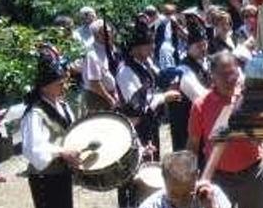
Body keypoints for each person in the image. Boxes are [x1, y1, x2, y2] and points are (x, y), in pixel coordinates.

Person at [187, 51, 263, 208]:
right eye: (224, 74)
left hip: (253, 174)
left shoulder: (248, 101)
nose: (230, 77)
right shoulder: (200, 105)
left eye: (233, 71)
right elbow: (193, 144)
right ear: (211, 75)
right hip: (219, 177)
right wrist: (191, 176)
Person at [21, 46, 82, 208]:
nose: (63, 86)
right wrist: (62, 153)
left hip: (60, 175)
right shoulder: (34, 113)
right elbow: (33, 150)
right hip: (45, 177)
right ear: (45, 85)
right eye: (59, 82)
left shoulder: (62, 105)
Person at [117, 22, 181, 153]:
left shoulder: (144, 63)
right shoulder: (126, 71)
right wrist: (164, 97)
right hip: (138, 128)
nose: (153, 47)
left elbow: (157, 81)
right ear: (135, 47)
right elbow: (138, 106)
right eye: (148, 45)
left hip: (151, 123)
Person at [168, 23, 211, 152]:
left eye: (204, 44)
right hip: (187, 127)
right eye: (198, 46)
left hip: (201, 124)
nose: (203, 48)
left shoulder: (204, 62)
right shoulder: (183, 70)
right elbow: (200, 97)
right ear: (188, 47)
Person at [81, 19, 119, 114]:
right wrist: (110, 99)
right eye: (106, 32)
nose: (109, 35)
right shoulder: (91, 53)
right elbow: (94, 83)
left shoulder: (109, 49)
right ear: (96, 35)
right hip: (97, 97)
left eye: (110, 32)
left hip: (109, 95)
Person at [154, 4, 181, 70]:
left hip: (172, 46)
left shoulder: (173, 21)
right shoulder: (161, 19)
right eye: (170, 12)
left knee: (174, 66)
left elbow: (177, 34)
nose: (172, 14)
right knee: (166, 68)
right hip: (163, 47)